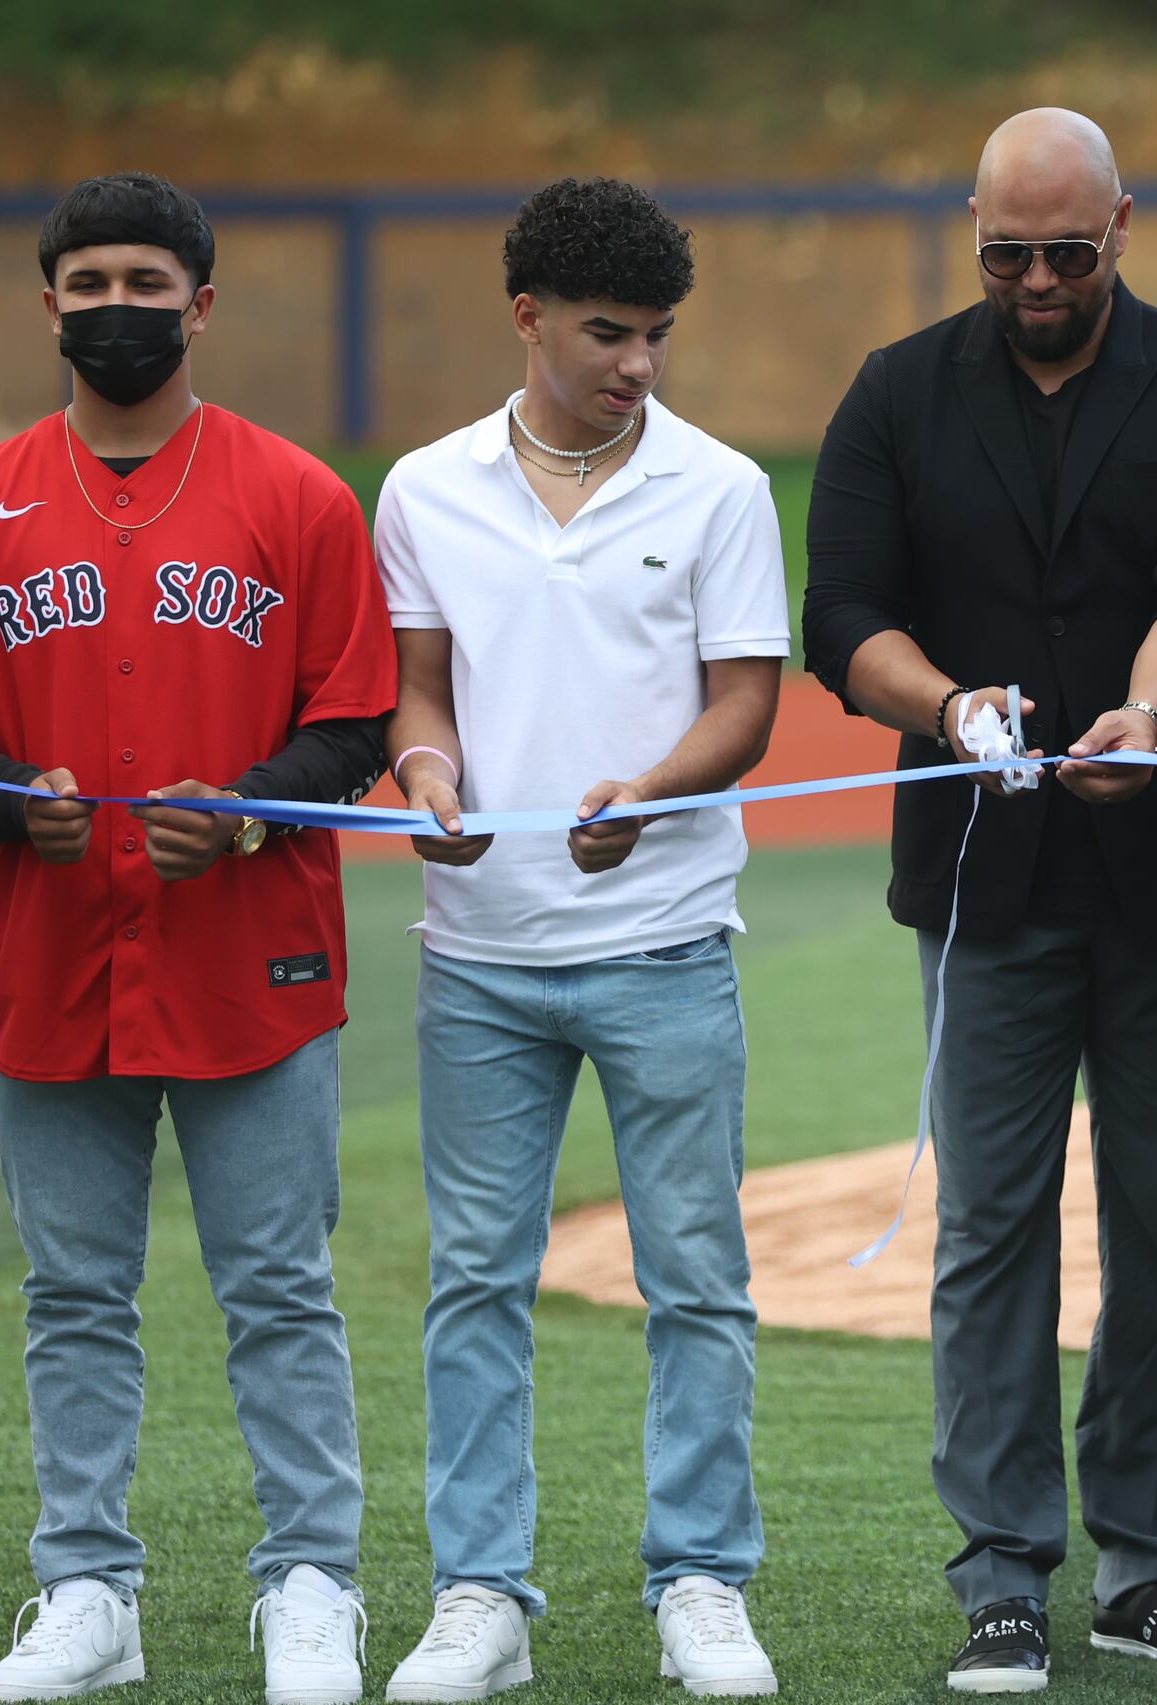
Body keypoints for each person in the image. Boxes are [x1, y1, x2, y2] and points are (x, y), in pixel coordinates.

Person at [800, 108, 1157, 1691]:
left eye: (1068, 254)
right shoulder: (895, 389)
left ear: (1123, 227)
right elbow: (846, 616)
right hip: (980, 882)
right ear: (976, 232)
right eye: (1007, 253)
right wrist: (950, 708)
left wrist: (1147, 716)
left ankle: (1144, 1566)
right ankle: (1002, 1572)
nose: (1036, 281)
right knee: (991, 1236)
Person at [0, 171, 395, 1705]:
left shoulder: (299, 495)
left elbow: (355, 720)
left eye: (147, 282)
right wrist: (4, 803)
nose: (119, 306)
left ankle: (312, 1580)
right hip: (53, 958)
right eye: (90, 281)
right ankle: (85, 1592)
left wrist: (247, 810)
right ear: (49, 301)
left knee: (278, 1289)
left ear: (202, 302)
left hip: (252, 958)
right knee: (71, 1296)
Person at [371, 178, 786, 1700]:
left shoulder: (722, 489)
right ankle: (483, 1594)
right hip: (477, 953)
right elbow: (417, 689)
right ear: (528, 315)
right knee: (476, 1279)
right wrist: (426, 774)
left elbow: (744, 705)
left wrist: (653, 789)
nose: (638, 364)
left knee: (698, 1279)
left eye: (659, 335)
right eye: (610, 332)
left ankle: (702, 1581)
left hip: (667, 937)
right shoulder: (422, 487)